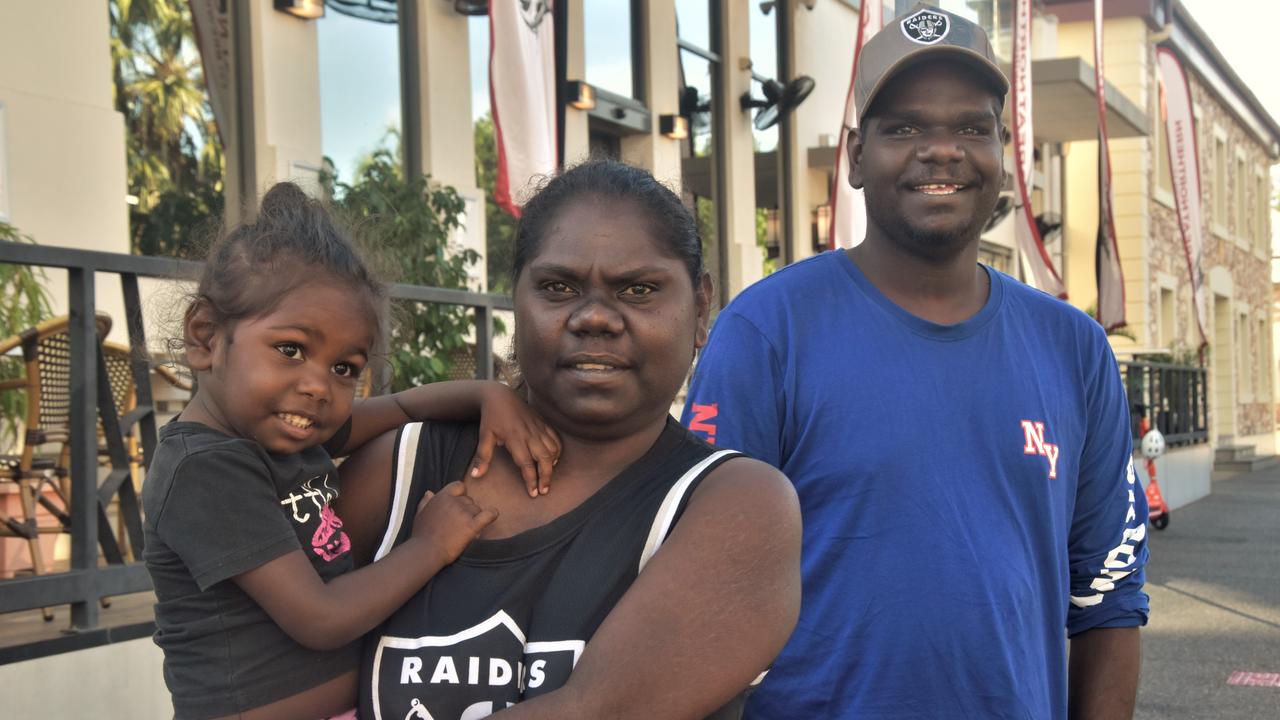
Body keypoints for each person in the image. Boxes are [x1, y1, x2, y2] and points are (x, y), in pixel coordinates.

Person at [681, 6, 1150, 719]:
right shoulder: (766, 331)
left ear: (1002, 148)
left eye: (970, 127)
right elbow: (701, 595)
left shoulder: (1074, 348)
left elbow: (1109, 597)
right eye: (903, 127)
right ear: (857, 156)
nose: (942, 150)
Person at [336, 160, 803, 720]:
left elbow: (593, 710)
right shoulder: (400, 468)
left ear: (700, 308)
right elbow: (253, 669)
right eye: (558, 287)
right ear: (517, 301)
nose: (595, 318)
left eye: (638, 289)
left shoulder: (737, 505)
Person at [141, 182, 561, 720]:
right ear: (205, 336)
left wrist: (488, 395)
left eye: (344, 368)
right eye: (290, 350)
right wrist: (431, 545)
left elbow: (405, 408)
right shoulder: (206, 469)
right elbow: (319, 618)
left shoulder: (291, 429)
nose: (318, 386)